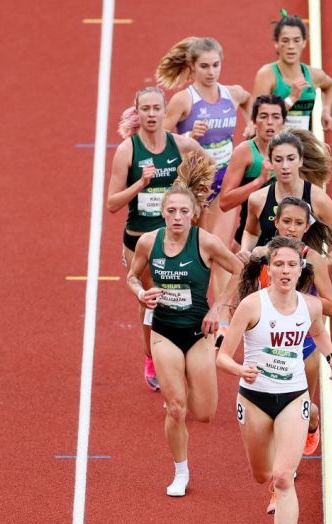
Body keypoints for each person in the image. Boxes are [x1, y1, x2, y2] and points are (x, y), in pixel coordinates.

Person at [216, 236, 332, 524]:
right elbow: (222, 357)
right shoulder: (251, 306)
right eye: (279, 265)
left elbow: (318, 332)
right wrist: (240, 369)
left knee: (283, 477)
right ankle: (277, 462)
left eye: (291, 265)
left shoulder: (310, 306)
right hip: (254, 399)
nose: (285, 271)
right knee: (262, 475)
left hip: (293, 397)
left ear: (300, 270)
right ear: (268, 270)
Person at [127, 152, 243, 497]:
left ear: (194, 214)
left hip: (198, 332)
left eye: (183, 211)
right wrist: (141, 293)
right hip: (164, 331)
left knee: (204, 412)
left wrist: (218, 308)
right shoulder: (149, 242)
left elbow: (239, 270)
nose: (177, 217)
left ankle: (186, 380)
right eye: (172, 211)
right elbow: (132, 276)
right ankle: (181, 470)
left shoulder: (205, 242)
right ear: (163, 212)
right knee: (176, 409)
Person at [107, 87, 202, 391]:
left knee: (182, 296)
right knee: (152, 300)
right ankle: (151, 356)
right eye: (145, 109)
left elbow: (208, 168)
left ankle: (180, 351)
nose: (151, 114)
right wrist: (141, 183)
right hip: (141, 240)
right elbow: (112, 203)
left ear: (164, 111)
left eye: (156, 108)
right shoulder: (128, 150)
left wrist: (195, 201)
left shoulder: (181, 144)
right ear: (137, 111)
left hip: (177, 237)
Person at [238, 197, 332, 454]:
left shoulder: (314, 260)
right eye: (286, 221)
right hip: (268, 342)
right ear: (276, 222)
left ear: (307, 227)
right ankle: (281, 466)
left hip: (303, 344)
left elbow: (331, 306)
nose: (291, 228)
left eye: (298, 223)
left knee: (297, 408)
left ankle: (311, 418)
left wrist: (297, 301)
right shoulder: (262, 255)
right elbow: (244, 291)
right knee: (271, 410)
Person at [155, 37, 253, 299]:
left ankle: (221, 315)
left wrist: (251, 124)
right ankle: (187, 302)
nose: (211, 72)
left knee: (220, 251)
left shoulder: (232, 94)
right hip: (196, 185)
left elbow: (248, 101)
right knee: (196, 250)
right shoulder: (184, 100)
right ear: (192, 67)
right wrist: (189, 138)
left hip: (225, 180)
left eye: (215, 65)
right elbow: (158, 139)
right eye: (204, 66)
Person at [241, 129, 332, 265]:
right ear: (270, 162)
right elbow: (251, 232)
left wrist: (313, 268)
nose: (285, 166)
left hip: (304, 278)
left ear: (301, 160)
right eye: (278, 160)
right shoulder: (257, 199)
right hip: (267, 275)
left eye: (291, 159)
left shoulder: (318, 199)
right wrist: (245, 251)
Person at [218, 95, 287, 249]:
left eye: (276, 117)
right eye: (263, 116)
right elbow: (224, 203)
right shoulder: (244, 152)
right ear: (254, 122)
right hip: (248, 242)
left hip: (284, 242)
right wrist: (259, 181)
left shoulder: (293, 152)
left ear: (283, 122)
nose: (270, 122)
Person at [252, 12, 332, 132]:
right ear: (276, 43)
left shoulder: (314, 75)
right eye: (285, 41)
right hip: (276, 143)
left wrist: (326, 111)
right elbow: (257, 117)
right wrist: (291, 99)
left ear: (304, 42)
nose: (291, 46)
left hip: (304, 143)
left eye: (296, 40)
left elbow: (329, 86)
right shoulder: (267, 75)